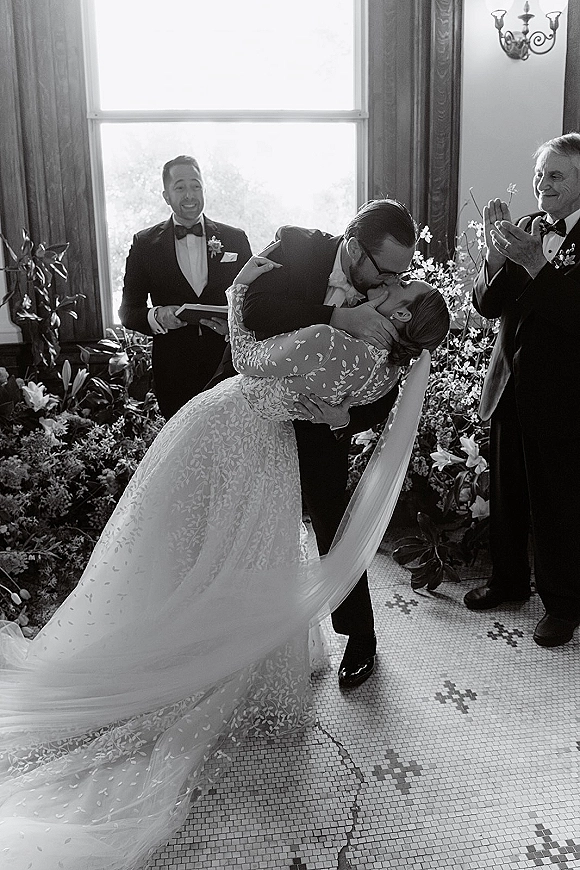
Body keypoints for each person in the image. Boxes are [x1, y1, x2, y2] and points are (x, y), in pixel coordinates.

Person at [0, 255, 449, 869]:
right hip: (271, 455)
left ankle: (177, 640)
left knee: (189, 546)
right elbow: (340, 401)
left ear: (397, 319)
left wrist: (237, 292)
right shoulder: (383, 368)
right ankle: (224, 640)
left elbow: (248, 360)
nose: (388, 288)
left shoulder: (333, 339)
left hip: (229, 429)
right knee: (244, 552)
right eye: (392, 278)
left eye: (399, 291)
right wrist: (336, 406)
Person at [210, 198, 422, 689]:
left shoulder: (395, 297)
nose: (391, 283)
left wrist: (348, 415)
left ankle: (360, 636)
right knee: (245, 514)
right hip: (256, 400)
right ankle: (233, 632)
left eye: (400, 273)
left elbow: (388, 377)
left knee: (334, 520)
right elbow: (256, 306)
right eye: (385, 270)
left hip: (321, 419)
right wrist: (336, 317)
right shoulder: (297, 244)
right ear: (352, 248)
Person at [463, 132, 580, 648]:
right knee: (507, 489)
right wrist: (493, 258)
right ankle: (507, 580)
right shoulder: (527, 229)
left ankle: (564, 603)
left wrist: (538, 266)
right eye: (540, 174)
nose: (543, 184)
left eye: (556, 175)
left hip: (565, 393)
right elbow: (490, 306)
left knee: (557, 499)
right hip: (509, 381)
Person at [118, 154, 252, 419]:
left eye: (196, 186)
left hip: (229, 366)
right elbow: (128, 311)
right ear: (166, 195)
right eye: (180, 187)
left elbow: (256, 300)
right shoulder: (145, 244)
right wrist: (158, 316)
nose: (190, 194)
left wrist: (235, 327)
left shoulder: (234, 238)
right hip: (173, 371)